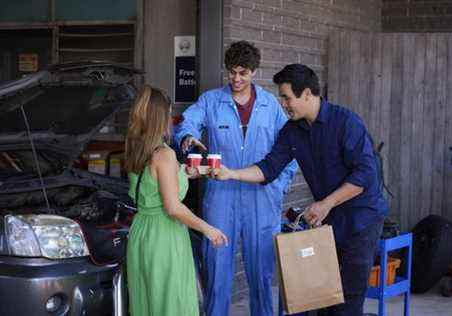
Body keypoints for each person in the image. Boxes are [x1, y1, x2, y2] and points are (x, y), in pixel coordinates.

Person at [211, 64, 388, 316]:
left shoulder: (346, 122)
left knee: (348, 301)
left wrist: (326, 203)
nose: (283, 103)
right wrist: (231, 174)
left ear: (306, 93)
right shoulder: (292, 130)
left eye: (286, 97)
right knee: (321, 296)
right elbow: (269, 168)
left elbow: (365, 176)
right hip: (330, 220)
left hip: (362, 219)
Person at [174, 41, 298, 316]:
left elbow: (291, 149)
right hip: (221, 197)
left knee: (262, 274)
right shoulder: (211, 101)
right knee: (217, 271)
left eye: (243, 73)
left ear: (254, 72)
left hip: (262, 198)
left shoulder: (271, 106)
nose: (236, 79)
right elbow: (187, 122)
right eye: (232, 72)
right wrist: (188, 137)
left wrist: (279, 185)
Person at [125, 85, 228, 316]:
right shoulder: (164, 154)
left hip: (141, 233)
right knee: (172, 303)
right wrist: (208, 229)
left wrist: (185, 172)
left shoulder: (135, 147)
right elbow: (172, 208)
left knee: (146, 302)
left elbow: (152, 180)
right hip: (165, 236)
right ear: (161, 117)